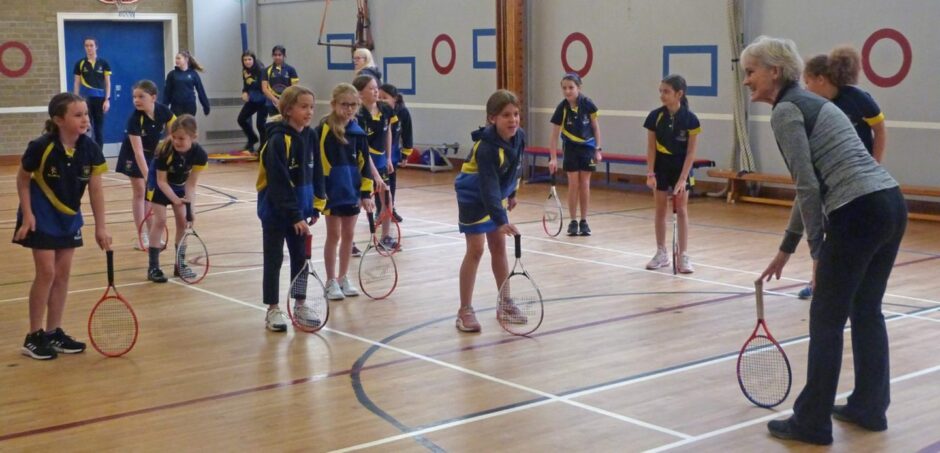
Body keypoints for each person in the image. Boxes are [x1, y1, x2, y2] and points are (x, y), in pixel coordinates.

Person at [741, 35, 906, 446]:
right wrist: (787, 246)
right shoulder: (815, 104)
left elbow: (807, 186)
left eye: (750, 72)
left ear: (774, 72)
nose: (746, 81)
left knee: (826, 317)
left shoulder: (787, 111)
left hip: (858, 213)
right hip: (890, 205)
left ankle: (812, 422)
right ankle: (869, 407)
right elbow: (809, 185)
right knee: (866, 309)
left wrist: (816, 250)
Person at [13, 93, 111, 360]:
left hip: (69, 215)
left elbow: (96, 190)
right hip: (41, 213)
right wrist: (28, 214)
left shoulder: (90, 149)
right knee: (46, 272)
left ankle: (53, 332)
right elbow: (22, 180)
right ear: (58, 120)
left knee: (63, 273)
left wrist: (101, 227)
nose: (85, 119)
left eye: (86, 114)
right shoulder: (41, 146)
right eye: (77, 115)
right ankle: (34, 336)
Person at [798, 46, 888, 300]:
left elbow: (880, 130)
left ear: (820, 79)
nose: (805, 88)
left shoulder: (858, 98)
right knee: (824, 231)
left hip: (860, 182)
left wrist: (874, 165)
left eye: (807, 82)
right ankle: (817, 281)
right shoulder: (817, 106)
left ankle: (854, 283)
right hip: (831, 180)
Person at [454, 90, 526, 333]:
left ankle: (504, 302)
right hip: (473, 196)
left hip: (497, 193)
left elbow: (516, 166)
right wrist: (500, 218)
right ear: (492, 118)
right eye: (506, 115)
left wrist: (513, 192)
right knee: (476, 249)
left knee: (499, 247)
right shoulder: (486, 148)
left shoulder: (519, 137)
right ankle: (464, 309)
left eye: (516, 114)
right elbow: (487, 186)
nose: (513, 120)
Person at [256, 85, 325, 331]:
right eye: (303, 107)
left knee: (300, 260)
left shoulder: (311, 135)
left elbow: (317, 170)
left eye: (312, 107)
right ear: (287, 110)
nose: (309, 112)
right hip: (275, 212)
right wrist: (294, 214)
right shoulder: (277, 139)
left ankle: (300, 304)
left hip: (301, 213)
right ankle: (273, 309)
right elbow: (278, 181)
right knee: (273, 260)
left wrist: (317, 203)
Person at [316, 83, 375, 300]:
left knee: (349, 235)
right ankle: (331, 280)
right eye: (344, 105)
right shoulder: (323, 130)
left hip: (352, 191)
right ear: (333, 105)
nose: (349, 109)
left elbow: (365, 165)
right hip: (333, 192)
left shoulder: (358, 133)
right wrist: (321, 192)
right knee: (334, 235)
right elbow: (320, 163)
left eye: (353, 105)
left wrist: (366, 193)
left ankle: (343, 277)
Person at [643, 74, 701, 273]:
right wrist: (650, 172)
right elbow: (651, 148)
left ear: (679, 94)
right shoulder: (655, 117)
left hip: (681, 167)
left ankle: (683, 255)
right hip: (661, 166)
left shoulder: (691, 119)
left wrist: (683, 178)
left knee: (682, 209)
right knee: (660, 209)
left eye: (666, 91)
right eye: (661, 91)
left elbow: (691, 152)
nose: (662, 95)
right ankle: (661, 253)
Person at [144, 115, 208, 283]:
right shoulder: (165, 151)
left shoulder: (200, 155)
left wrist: (190, 210)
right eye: (174, 137)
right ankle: (153, 267)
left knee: (183, 222)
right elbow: (161, 181)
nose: (177, 141)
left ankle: (179, 265)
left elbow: (191, 185)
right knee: (160, 220)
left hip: (180, 184)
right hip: (158, 185)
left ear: (193, 137)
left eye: (182, 138)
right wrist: (175, 199)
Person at [116, 80, 176, 250]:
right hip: (132, 156)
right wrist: (148, 174)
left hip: (151, 155)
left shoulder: (163, 111)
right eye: (134, 97)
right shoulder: (135, 119)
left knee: (150, 196)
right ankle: (142, 235)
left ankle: (152, 235)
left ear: (153, 97)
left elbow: (175, 127)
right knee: (140, 192)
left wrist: (166, 144)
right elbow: (138, 152)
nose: (136, 100)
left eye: (141, 96)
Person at [548, 73, 603, 236]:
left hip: (587, 148)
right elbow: (554, 135)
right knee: (573, 184)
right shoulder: (562, 108)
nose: (567, 91)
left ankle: (584, 221)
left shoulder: (588, 105)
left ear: (579, 88)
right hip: (570, 148)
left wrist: (598, 149)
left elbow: (596, 128)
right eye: (564, 88)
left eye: (571, 87)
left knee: (585, 184)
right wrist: (553, 158)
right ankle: (572, 221)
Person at [353, 75, 397, 252]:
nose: (376, 90)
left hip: (380, 160)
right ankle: (350, 241)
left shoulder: (385, 109)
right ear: (360, 94)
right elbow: (363, 148)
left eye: (376, 87)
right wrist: (375, 175)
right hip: (363, 162)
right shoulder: (358, 115)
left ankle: (386, 236)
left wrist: (387, 158)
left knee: (387, 196)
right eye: (371, 88)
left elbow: (388, 132)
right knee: (358, 201)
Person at [379, 83, 413, 223]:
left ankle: (390, 209)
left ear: (395, 99)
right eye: (379, 97)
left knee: (391, 182)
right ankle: (380, 210)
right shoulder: (377, 112)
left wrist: (405, 153)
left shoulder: (403, 112)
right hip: (379, 154)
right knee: (380, 184)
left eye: (385, 97)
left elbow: (407, 133)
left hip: (393, 152)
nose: (381, 100)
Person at [72, 36, 111, 146]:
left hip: (100, 100)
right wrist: (76, 101)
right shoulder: (79, 63)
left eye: (91, 45)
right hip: (85, 100)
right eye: (86, 46)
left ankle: (99, 156)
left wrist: (107, 100)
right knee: (85, 128)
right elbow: (76, 83)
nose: (89, 48)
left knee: (98, 130)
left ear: (96, 47)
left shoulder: (104, 63)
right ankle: (84, 153)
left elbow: (108, 83)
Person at [162, 50, 210, 118]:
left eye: (179, 58)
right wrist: (164, 107)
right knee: (178, 126)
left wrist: (206, 106)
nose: (176, 60)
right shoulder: (172, 74)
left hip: (190, 106)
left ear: (186, 59)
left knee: (188, 126)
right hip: (176, 106)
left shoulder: (193, 74)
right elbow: (167, 93)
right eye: (176, 58)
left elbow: (201, 90)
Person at [238, 50, 268, 153]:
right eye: (245, 60)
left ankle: (263, 147)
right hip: (253, 99)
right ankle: (252, 138)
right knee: (241, 119)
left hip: (263, 100)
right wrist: (244, 92)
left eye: (249, 59)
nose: (247, 62)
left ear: (254, 60)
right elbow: (246, 85)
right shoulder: (245, 71)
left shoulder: (260, 70)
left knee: (260, 124)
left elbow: (262, 87)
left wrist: (250, 80)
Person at [261, 45, 299, 117]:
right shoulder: (266, 70)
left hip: (287, 102)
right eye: (275, 55)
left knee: (286, 124)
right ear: (272, 56)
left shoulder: (291, 69)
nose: (277, 57)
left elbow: (295, 88)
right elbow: (264, 89)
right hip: (271, 103)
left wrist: (285, 100)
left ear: (284, 56)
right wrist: (276, 100)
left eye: (279, 55)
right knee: (275, 124)